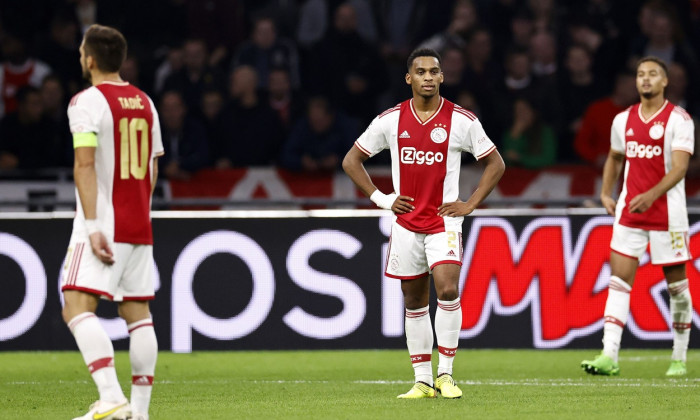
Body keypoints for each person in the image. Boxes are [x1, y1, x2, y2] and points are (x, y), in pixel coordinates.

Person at [342, 48, 505, 399]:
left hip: (444, 221)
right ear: (409, 78)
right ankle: (422, 381)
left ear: (442, 77)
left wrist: (470, 203)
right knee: (414, 301)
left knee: (447, 289)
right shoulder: (390, 120)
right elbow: (352, 161)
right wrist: (382, 198)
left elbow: (496, 164)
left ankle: (446, 374)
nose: (428, 77)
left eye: (434, 71)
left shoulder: (462, 120)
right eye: (421, 72)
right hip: (405, 224)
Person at [61, 24, 162, 420]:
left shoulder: (85, 102)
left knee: (75, 306)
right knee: (138, 314)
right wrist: (140, 209)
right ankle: (139, 412)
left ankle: (110, 397)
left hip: (103, 221)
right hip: (139, 220)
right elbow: (153, 166)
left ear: (89, 59)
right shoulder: (146, 102)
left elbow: (84, 164)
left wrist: (93, 224)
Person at [581, 57, 695, 377]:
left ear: (665, 82)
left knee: (678, 290)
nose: (645, 79)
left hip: (667, 216)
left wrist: (652, 195)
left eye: (653, 74)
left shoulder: (679, 120)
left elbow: (680, 168)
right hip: (630, 214)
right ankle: (609, 354)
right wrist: (606, 193)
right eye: (641, 74)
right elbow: (615, 157)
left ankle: (679, 356)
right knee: (618, 283)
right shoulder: (623, 120)